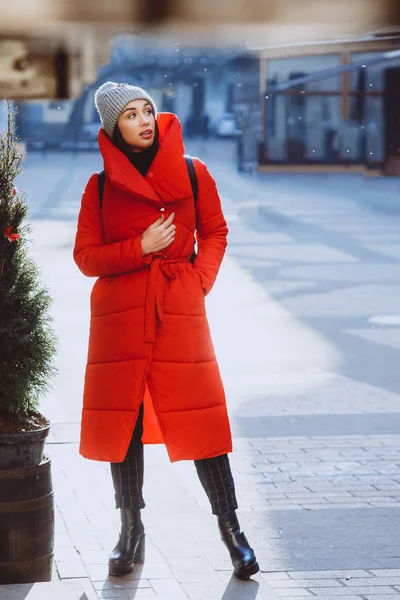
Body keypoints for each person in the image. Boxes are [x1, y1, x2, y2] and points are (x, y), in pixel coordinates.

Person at [73, 81, 259, 581]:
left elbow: (215, 231)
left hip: (177, 307)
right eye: (131, 114)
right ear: (114, 127)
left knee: (200, 420)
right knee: (124, 426)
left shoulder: (193, 173)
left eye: (147, 109)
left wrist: (198, 282)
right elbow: (86, 258)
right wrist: (141, 247)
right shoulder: (101, 186)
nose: (144, 119)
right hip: (120, 317)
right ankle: (130, 529)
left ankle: (231, 530)